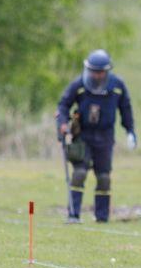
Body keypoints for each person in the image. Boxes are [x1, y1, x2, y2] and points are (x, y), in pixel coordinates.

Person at [56, 49, 136, 223]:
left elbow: (126, 109)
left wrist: (130, 131)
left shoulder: (117, 86)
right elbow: (63, 105)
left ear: (106, 71)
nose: (97, 75)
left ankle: (102, 217)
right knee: (79, 173)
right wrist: (62, 124)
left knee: (104, 177)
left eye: (100, 72)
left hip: (106, 136)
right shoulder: (79, 85)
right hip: (83, 135)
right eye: (94, 71)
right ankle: (73, 214)